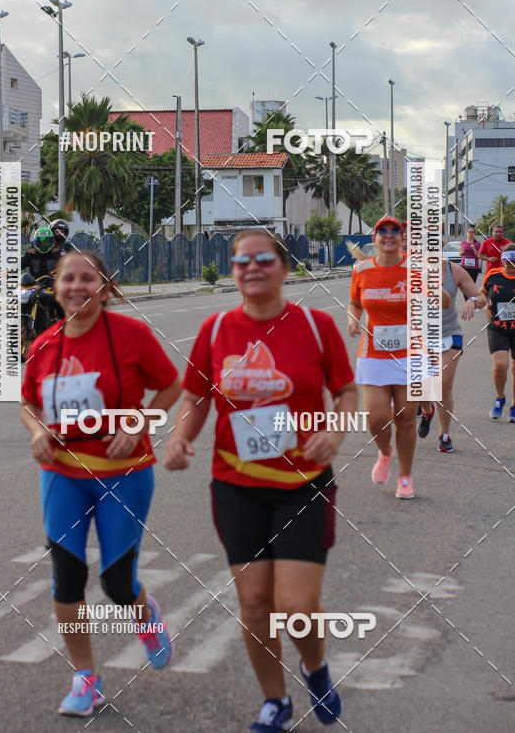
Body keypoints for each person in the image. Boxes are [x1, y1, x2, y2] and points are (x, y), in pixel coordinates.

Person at [164, 229, 357, 732]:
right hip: (236, 485)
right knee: (254, 605)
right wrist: (181, 438)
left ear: (284, 268)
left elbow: (347, 393)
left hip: (304, 482)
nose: (252, 267)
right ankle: (275, 701)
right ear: (233, 270)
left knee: (294, 606)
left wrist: (334, 434)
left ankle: (314, 668)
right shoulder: (214, 331)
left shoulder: (316, 327)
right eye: (241, 261)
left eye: (263, 259)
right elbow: (196, 399)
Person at [21, 250, 182, 717]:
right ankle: (85, 678)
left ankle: (145, 616)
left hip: (123, 474)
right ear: (55, 287)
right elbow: (28, 404)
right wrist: (37, 433)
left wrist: (137, 423)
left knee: (116, 583)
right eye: (67, 278)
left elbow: (170, 386)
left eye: (87, 278)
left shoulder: (131, 335)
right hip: (62, 474)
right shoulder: (45, 344)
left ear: (105, 287)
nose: (76, 286)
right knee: (67, 579)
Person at [347, 216, 450, 499]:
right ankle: (385, 452)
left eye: (396, 231)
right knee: (375, 418)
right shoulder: (362, 268)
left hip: (412, 353)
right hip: (374, 355)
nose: (390, 235)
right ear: (375, 238)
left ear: (402, 237)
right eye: (384, 231)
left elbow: (445, 301)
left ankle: (405, 478)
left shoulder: (414, 267)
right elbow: (355, 303)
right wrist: (353, 320)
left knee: (405, 418)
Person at [417, 258, 486, 451]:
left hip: (449, 335)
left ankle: (444, 434)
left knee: (443, 385)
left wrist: (472, 302)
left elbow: (481, 298)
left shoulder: (455, 271)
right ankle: (427, 410)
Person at [480, 249, 515, 421]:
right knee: (500, 366)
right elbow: (482, 293)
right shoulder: (493, 275)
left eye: (513, 261)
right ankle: (500, 398)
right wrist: (485, 304)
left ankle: (514, 406)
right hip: (498, 327)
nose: (510, 265)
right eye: (507, 261)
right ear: (502, 261)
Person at [459, 226, 482, 291]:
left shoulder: (477, 243)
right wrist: (462, 252)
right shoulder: (463, 242)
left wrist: (474, 249)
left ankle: (471, 298)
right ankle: (467, 299)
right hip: (464, 266)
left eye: (472, 232)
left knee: (472, 284)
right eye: (469, 232)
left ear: (474, 234)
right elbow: (460, 253)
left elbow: (479, 255)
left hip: (474, 267)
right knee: (464, 284)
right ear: (467, 233)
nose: (470, 233)